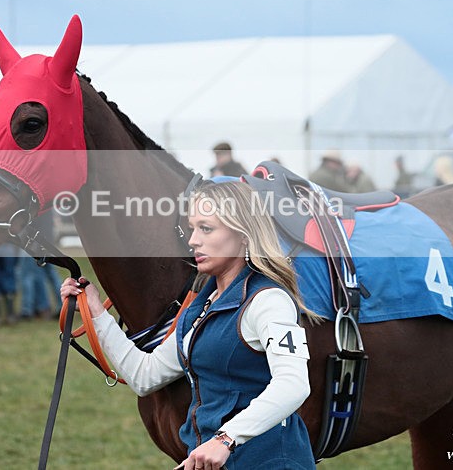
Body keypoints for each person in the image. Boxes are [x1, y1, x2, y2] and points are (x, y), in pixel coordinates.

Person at [61, 181, 320, 469]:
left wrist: (225, 439)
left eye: (206, 229)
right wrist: (95, 310)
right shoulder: (200, 305)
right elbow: (144, 376)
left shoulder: (268, 301)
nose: (193, 240)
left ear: (243, 234)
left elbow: (293, 384)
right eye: (192, 229)